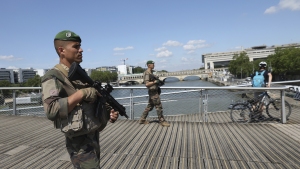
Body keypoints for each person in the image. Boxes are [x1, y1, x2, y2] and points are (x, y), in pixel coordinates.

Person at [41, 30, 119, 169]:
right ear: (61, 50)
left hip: (92, 135)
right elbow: (52, 110)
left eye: (80, 46)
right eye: (76, 46)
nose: (81, 50)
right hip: (78, 142)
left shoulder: (80, 73)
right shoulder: (53, 76)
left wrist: (108, 113)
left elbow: (88, 105)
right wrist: (81, 94)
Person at [139, 60, 170, 127]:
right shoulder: (147, 73)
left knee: (149, 107)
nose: (154, 65)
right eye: (152, 64)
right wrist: (155, 82)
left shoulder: (151, 73)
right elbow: (147, 84)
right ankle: (162, 121)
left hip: (154, 91)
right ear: (149, 65)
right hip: (153, 93)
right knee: (159, 106)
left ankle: (142, 119)